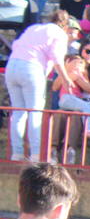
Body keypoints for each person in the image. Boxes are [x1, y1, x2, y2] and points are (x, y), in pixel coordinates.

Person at [7, 11, 77, 163]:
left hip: (12, 66)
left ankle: (16, 154)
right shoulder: (59, 34)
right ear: (65, 25)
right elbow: (57, 58)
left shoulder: (34, 28)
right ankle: (36, 155)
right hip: (32, 68)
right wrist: (65, 79)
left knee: (18, 112)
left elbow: (16, 45)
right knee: (35, 112)